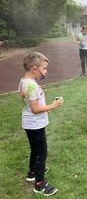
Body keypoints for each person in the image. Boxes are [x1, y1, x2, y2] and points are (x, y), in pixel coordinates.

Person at [18, 52, 63, 196]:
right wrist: (53, 105)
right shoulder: (31, 85)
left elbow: (34, 106)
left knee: (35, 150)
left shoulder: (24, 81)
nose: (45, 71)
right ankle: (40, 184)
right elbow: (36, 109)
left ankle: (32, 172)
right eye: (44, 68)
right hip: (35, 125)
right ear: (34, 69)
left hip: (30, 123)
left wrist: (45, 110)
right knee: (41, 153)